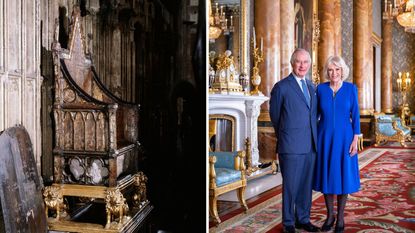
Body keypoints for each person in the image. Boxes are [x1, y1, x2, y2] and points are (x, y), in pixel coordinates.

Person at [270, 48, 319, 233]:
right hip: (290, 146)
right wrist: (287, 136)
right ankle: (288, 223)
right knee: (290, 186)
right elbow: (276, 116)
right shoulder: (281, 87)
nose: (302, 65)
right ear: (292, 63)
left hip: (310, 145)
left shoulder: (312, 86)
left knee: (306, 186)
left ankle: (303, 219)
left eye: (306, 62)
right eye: (299, 61)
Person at [313, 55, 361, 233]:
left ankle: (340, 217)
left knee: (343, 176)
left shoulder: (350, 89)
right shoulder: (321, 89)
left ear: (342, 71)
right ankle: (330, 215)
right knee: (327, 175)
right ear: (327, 72)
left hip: (345, 139)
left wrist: (355, 140)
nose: (334, 73)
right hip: (324, 137)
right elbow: (315, 116)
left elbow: (355, 115)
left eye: (337, 69)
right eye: (331, 70)